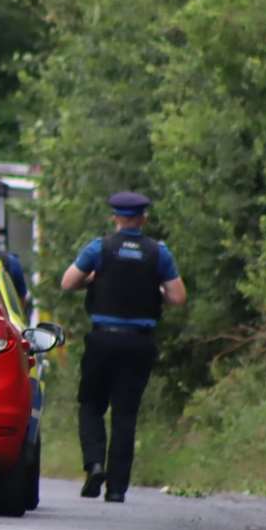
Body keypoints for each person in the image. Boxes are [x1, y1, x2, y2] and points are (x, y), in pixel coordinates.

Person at [58, 191, 187, 503]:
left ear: (115, 217)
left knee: (91, 404)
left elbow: (67, 283)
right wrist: (153, 289)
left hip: (102, 339)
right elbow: (178, 297)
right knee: (125, 414)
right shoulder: (159, 253)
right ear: (143, 218)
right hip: (138, 344)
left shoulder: (99, 248)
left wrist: (92, 280)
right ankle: (116, 488)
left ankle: (94, 464)